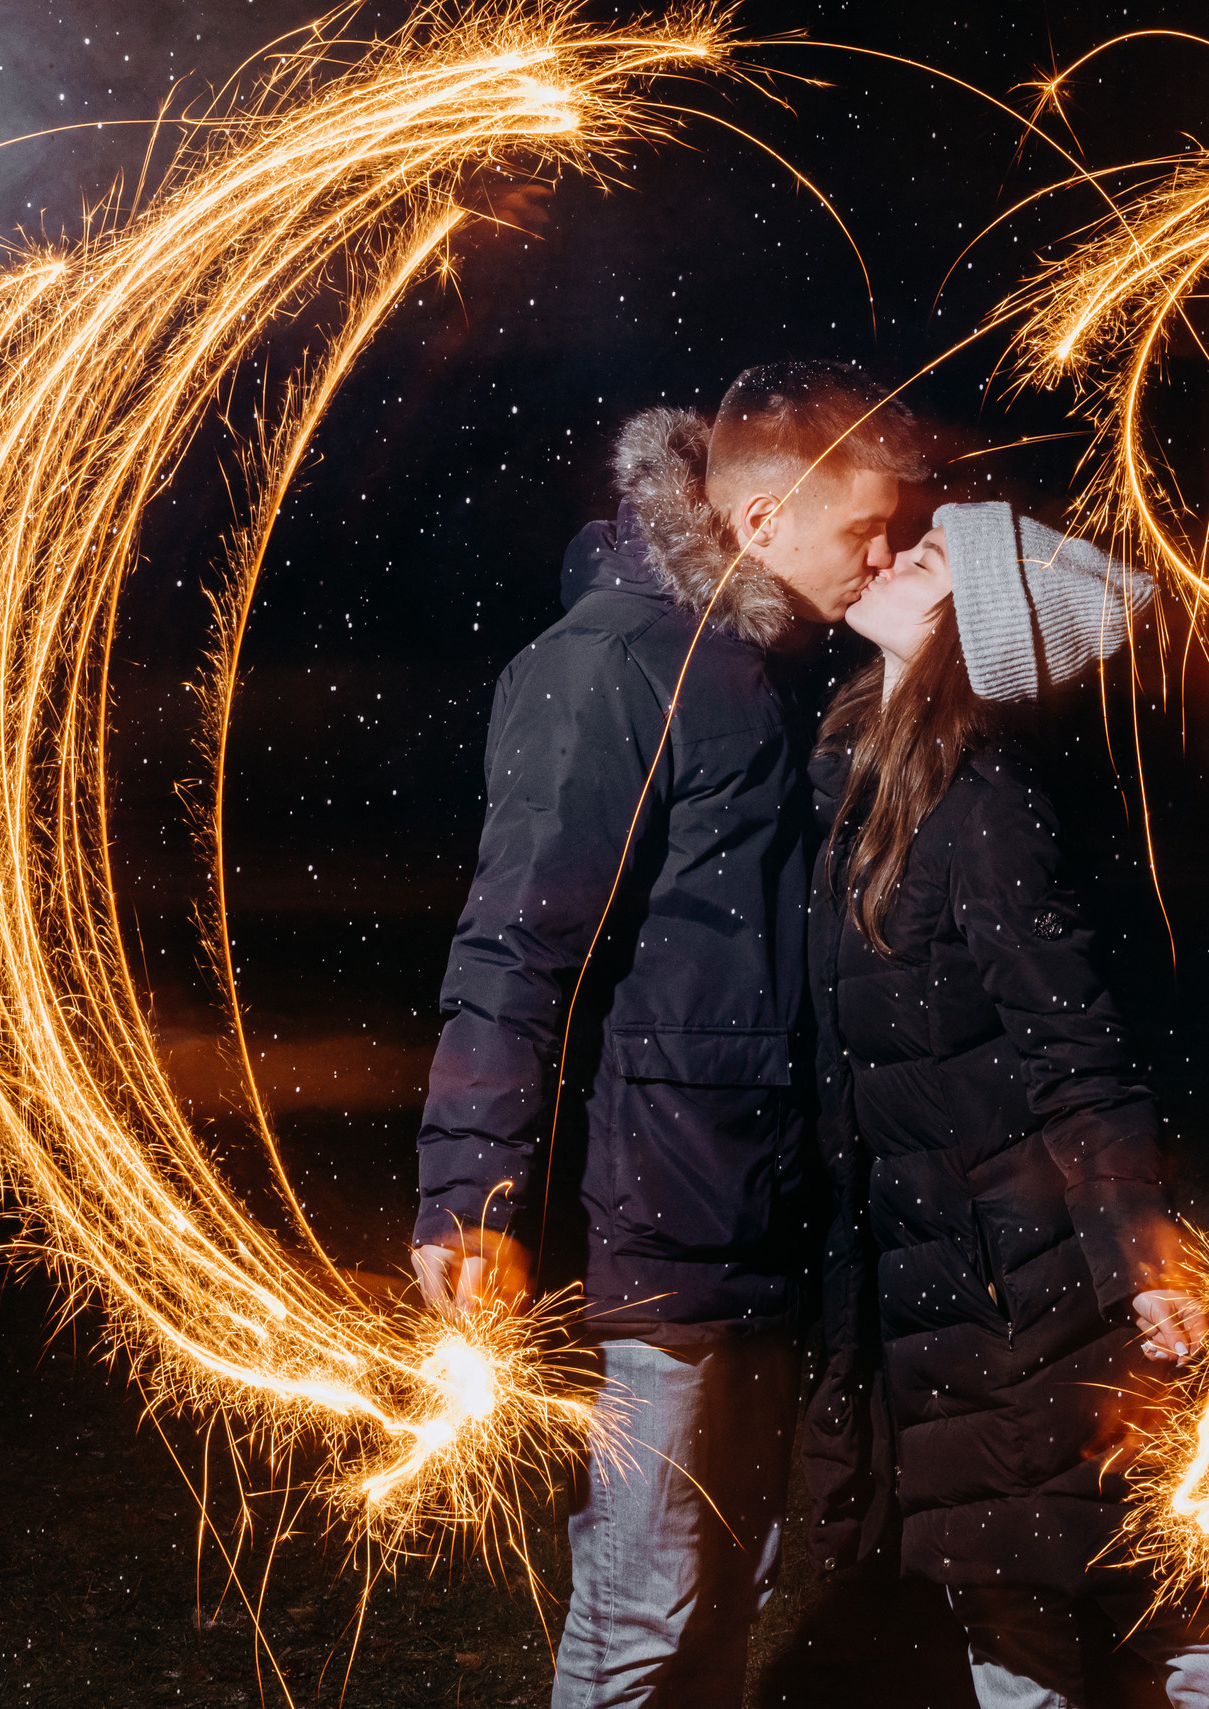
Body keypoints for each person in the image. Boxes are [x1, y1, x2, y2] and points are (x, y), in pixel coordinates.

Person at [409, 361, 925, 1708]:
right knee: (649, 1608)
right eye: (863, 530)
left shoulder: (767, 661)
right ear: (758, 527)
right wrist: (475, 1193)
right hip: (656, 1213)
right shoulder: (612, 668)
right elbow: (515, 948)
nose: (891, 553)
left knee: (731, 1591)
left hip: (754, 1200)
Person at [803, 503, 1209, 1708]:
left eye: (932, 558)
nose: (895, 553)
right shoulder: (874, 784)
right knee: (1015, 1613)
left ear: (975, 627)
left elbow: (1075, 1047)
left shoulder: (983, 803)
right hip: (953, 1286)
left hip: (1035, 1288)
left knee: (1117, 1598)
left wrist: (1141, 1256)